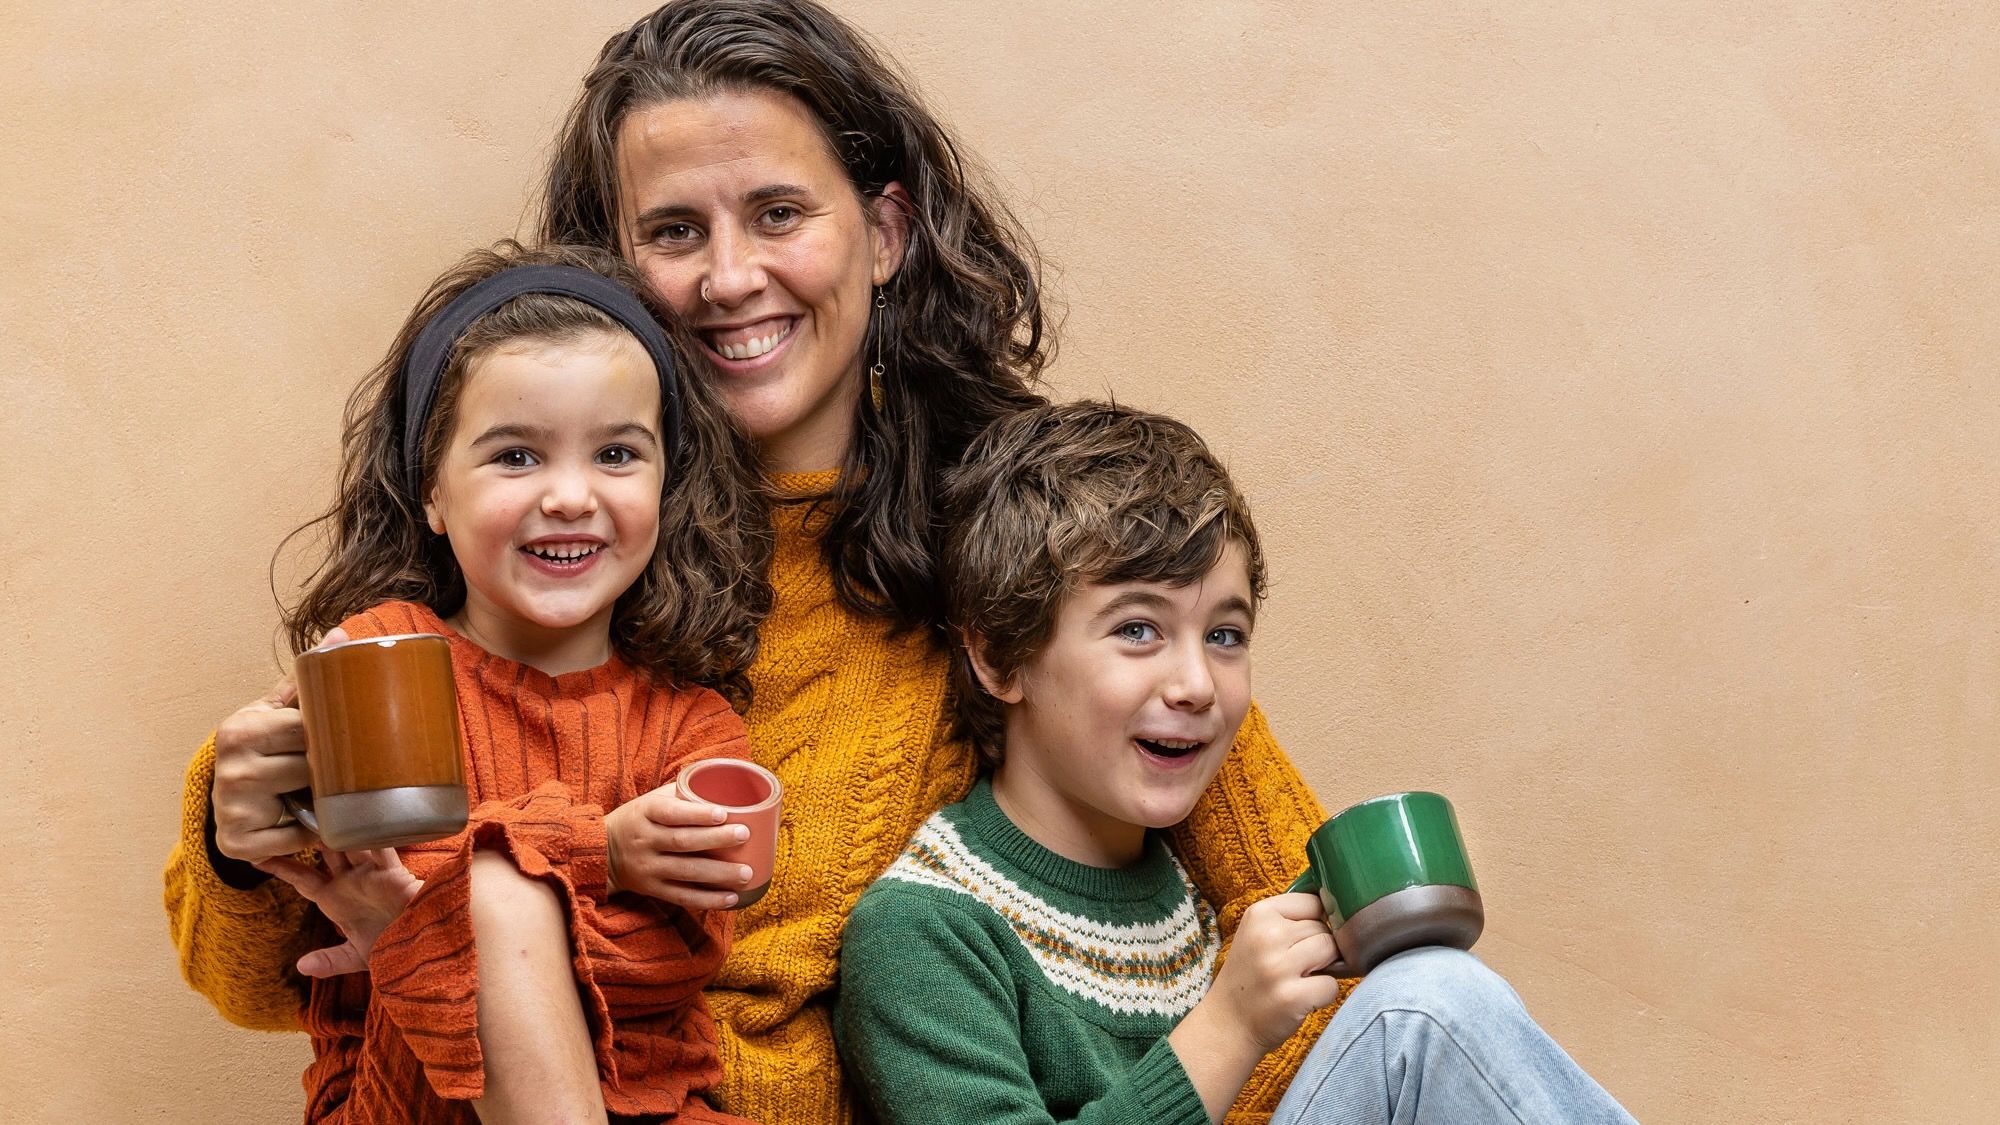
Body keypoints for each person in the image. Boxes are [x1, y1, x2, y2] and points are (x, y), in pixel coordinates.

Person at [165, 3, 1328, 1119]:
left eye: (778, 213)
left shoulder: (1023, 539)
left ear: (882, 234)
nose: (728, 279)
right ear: (609, 266)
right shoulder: (533, 542)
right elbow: (278, 982)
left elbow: (1314, 923)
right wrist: (241, 837)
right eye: (674, 231)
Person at [836, 401, 1637, 1125]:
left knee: (1424, 985)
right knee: (1423, 1008)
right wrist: (1228, 1025)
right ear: (999, 655)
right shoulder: (920, 932)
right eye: (1138, 629)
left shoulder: (1198, 900)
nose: (1195, 686)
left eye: (1224, 635)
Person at [168, 240, 778, 1123]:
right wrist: (596, 853)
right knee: (493, 888)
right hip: (404, 1095)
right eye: (516, 457)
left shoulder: (692, 724)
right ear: (431, 492)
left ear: (667, 483)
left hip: (645, 1105)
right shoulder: (374, 663)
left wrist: (398, 936)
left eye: (617, 454)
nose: (570, 495)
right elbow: (289, 937)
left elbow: (668, 968)